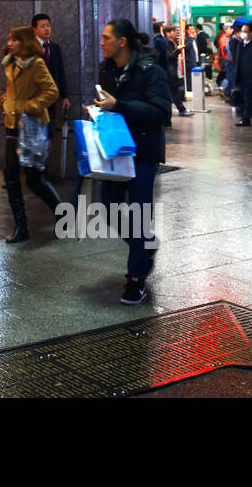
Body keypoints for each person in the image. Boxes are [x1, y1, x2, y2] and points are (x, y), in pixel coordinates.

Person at [94, 19, 172, 304]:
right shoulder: (107, 69)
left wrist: (119, 106)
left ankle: (135, 278)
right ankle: (145, 245)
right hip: (117, 150)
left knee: (139, 215)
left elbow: (161, 111)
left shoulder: (151, 71)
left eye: (106, 37)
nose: (101, 42)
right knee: (110, 208)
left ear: (122, 41)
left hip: (144, 152)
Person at [0, 24, 62, 244]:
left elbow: (52, 91)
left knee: (34, 179)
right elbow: (14, 92)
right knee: (11, 177)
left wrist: (30, 106)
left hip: (32, 127)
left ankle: (63, 215)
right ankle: (21, 227)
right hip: (12, 125)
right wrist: (7, 101)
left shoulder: (36, 64)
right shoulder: (11, 63)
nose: (10, 43)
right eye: (9, 39)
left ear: (24, 41)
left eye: (15, 39)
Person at [31, 13, 72, 176]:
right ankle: (35, 172)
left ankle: (43, 171)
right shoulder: (30, 48)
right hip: (34, 101)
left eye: (48, 25)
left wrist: (65, 96)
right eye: (42, 26)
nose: (47, 29)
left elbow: (59, 74)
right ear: (34, 29)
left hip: (50, 101)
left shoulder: (54, 48)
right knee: (35, 135)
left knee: (48, 135)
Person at [160, 24, 192, 122]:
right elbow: (169, 56)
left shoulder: (169, 41)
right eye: (173, 31)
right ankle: (181, 110)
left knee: (173, 92)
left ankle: (181, 109)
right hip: (169, 71)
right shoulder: (165, 42)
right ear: (167, 33)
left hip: (171, 70)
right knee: (173, 92)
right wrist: (178, 50)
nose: (175, 33)